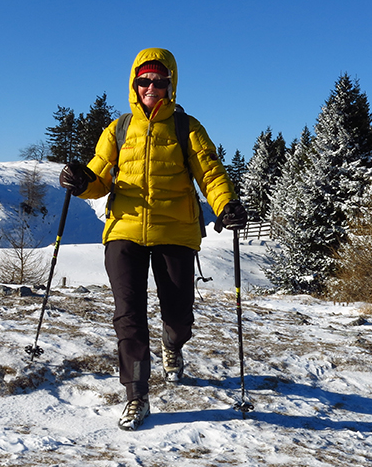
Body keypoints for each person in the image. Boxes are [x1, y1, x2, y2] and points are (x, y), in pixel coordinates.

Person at [59, 48, 248, 431]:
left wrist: (226, 204)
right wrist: (82, 182)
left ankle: (173, 345)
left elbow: (210, 173)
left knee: (178, 315)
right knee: (128, 314)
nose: (151, 87)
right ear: (134, 83)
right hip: (124, 230)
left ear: (171, 85)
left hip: (176, 231)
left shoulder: (187, 128)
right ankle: (136, 395)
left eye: (159, 81)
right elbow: (100, 177)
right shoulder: (118, 128)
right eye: (144, 80)